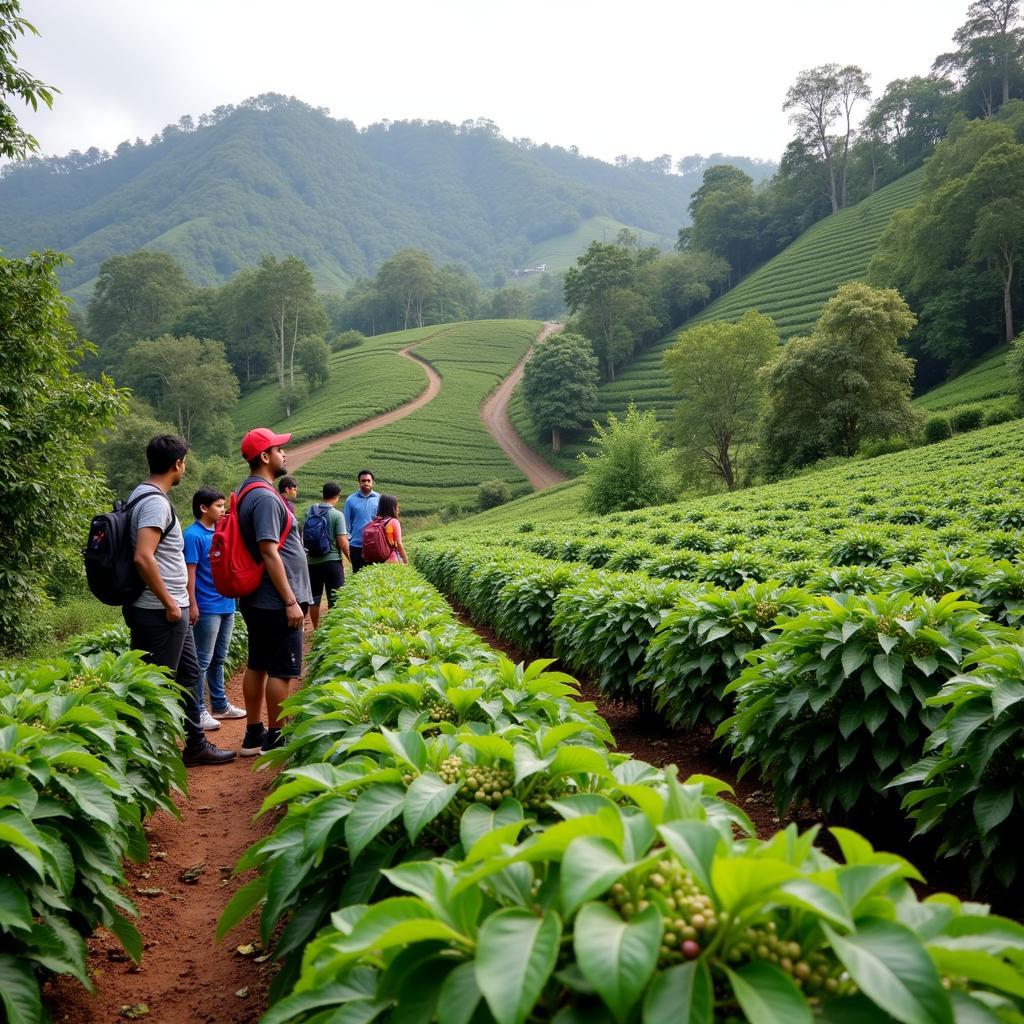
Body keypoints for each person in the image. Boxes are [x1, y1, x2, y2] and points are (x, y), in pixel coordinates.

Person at [124, 435, 236, 766]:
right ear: (177, 465)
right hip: (161, 611)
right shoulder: (155, 503)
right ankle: (146, 757)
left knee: (188, 676)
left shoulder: (142, 496)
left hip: (172, 609)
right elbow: (143, 558)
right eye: (184, 462)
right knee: (157, 685)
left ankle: (196, 744)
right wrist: (171, 603)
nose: (184, 467)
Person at [236, 428, 313, 756]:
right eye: (279, 449)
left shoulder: (248, 491)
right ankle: (275, 737)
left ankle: (253, 735)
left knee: (258, 663)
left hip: (260, 599)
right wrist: (291, 601)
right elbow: (269, 551)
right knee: (282, 668)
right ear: (264, 457)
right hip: (275, 600)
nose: (285, 454)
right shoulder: (266, 497)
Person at [183, 486, 245, 730]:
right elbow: (191, 574)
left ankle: (219, 705)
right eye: (218, 506)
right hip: (206, 607)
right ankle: (198, 710)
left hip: (226, 603)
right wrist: (193, 605)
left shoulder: (221, 531)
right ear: (203, 508)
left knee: (219, 658)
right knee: (202, 661)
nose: (222, 510)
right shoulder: (192, 536)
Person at [305, 481, 350, 629]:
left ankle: (316, 628)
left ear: (323, 494)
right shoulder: (337, 515)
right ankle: (333, 629)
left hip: (312, 562)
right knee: (335, 598)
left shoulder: (310, 511)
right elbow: (343, 542)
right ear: (337, 496)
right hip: (332, 562)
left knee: (315, 598)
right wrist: (351, 560)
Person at [344, 469, 380, 572]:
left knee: (375, 575)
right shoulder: (350, 500)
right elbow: (347, 522)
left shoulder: (379, 499)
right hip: (356, 545)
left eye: (368, 480)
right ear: (359, 482)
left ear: (373, 482)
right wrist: (350, 538)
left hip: (374, 545)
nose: (366, 483)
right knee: (357, 575)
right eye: (363, 481)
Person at [372, 494, 408, 564]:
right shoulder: (393, 522)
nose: (398, 507)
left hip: (376, 560)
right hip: (391, 558)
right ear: (392, 507)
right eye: (396, 505)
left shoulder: (375, 521)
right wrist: (405, 560)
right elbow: (399, 543)